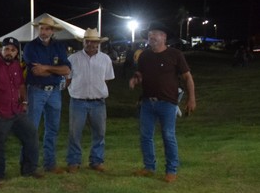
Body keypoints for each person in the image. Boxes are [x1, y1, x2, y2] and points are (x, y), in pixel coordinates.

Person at [128, 24, 196, 183]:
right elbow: (140, 73)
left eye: (156, 34)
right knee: (145, 136)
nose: (151, 36)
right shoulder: (144, 56)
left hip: (168, 103)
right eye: (150, 34)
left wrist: (192, 99)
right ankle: (149, 167)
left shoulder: (175, 54)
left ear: (164, 37)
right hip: (147, 103)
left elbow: (187, 78)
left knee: (168, 136)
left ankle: (171, 170)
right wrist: (135, 79)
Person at [0, 37, 42, 181]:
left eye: (13, 50)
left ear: (16, 52)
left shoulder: (16, 66)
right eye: (6, 49)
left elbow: (20, 85)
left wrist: (25, 101)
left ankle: (29, 169)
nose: (9, 52)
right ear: (0, 50)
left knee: (31, 135)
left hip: (16, 111)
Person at [22, 17, 71, 173]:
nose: (44, 32)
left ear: (52, 31)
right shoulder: (30, 47)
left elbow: (67, 70)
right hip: (36, 90)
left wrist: (47, 68)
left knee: (52, 129)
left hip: (54, 91)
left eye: (47, 29)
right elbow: (36, 70)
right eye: (42, 28)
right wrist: (55, 69)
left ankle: (49, 164)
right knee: (31, 130)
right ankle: (28, 166)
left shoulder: (59, 46)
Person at [65, 28, 115, 172]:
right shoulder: (73, 59)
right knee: (75, 133)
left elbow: (107, 79)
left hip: (98, 102)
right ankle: (74, 161)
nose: (91, 44)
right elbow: (68, 79)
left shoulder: (105, 59)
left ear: (98, 43)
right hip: (78, 101)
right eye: (88, 41)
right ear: (83, 42)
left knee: (99, 133)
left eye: (94, 42)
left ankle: (96, 161)